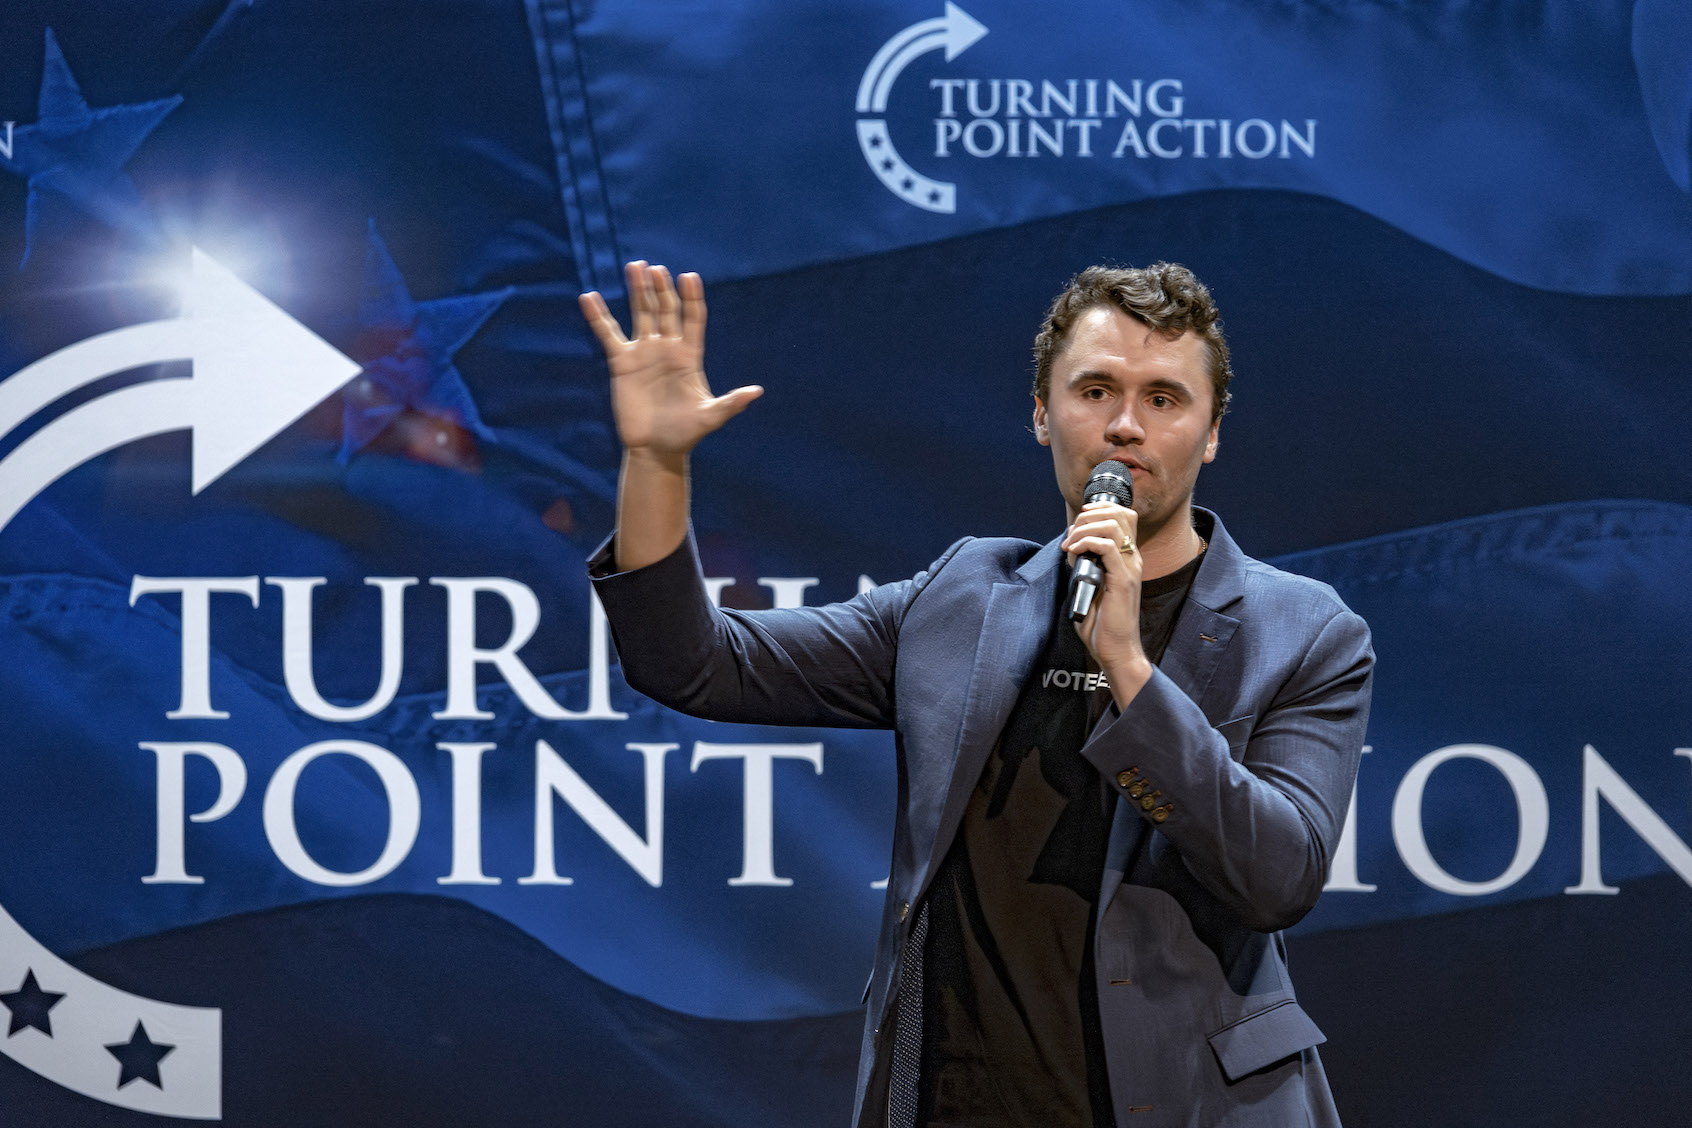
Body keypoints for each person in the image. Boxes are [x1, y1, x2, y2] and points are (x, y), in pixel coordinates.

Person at [581, 260, 1373, 1128]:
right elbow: (695, 663)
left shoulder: (1302, 632)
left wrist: (1127, 665)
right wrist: (656, 460)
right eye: (1095, 391)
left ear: (1211, 432)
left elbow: (1278, 878)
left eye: (1163, 399)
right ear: (1041, 413)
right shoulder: (961, 597)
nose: (1124, 426)